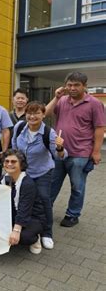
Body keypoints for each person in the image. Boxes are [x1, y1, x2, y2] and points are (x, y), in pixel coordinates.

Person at [46, 72, 105, 227]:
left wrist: (96, 151)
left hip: (80, 153)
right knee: (52, 183)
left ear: (85, 86)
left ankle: (72, 214)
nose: (72, 88)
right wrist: (57, 97)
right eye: (69, 85)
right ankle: (45, 210)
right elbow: (45, 113)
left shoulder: (94, 104)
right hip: (58, 151)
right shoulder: (63, 100)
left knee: (77, 186)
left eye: (76, 85)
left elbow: (99, 128)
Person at [12, 101, 66, 249]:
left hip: (42, 172)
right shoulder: (20, 127)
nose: (32, 116)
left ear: (43, 114)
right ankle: (26, 226)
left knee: (43, 199)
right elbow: (14, 147)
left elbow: (60, 156)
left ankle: (47, 233)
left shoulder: (49, 133)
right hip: (23, 172)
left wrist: (60, 147)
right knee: (20, 198)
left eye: (36, 113)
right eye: (29, 112)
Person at [1, 150, 46, 254]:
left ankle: (35, 238)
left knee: (24, 237)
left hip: (32, 217)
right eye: (6, 161)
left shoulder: (27, 183)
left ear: (21, 164)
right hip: (13, 213)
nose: (9, 164)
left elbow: (24, 209)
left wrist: (16, 231)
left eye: (13, 161)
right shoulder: (4, 178)